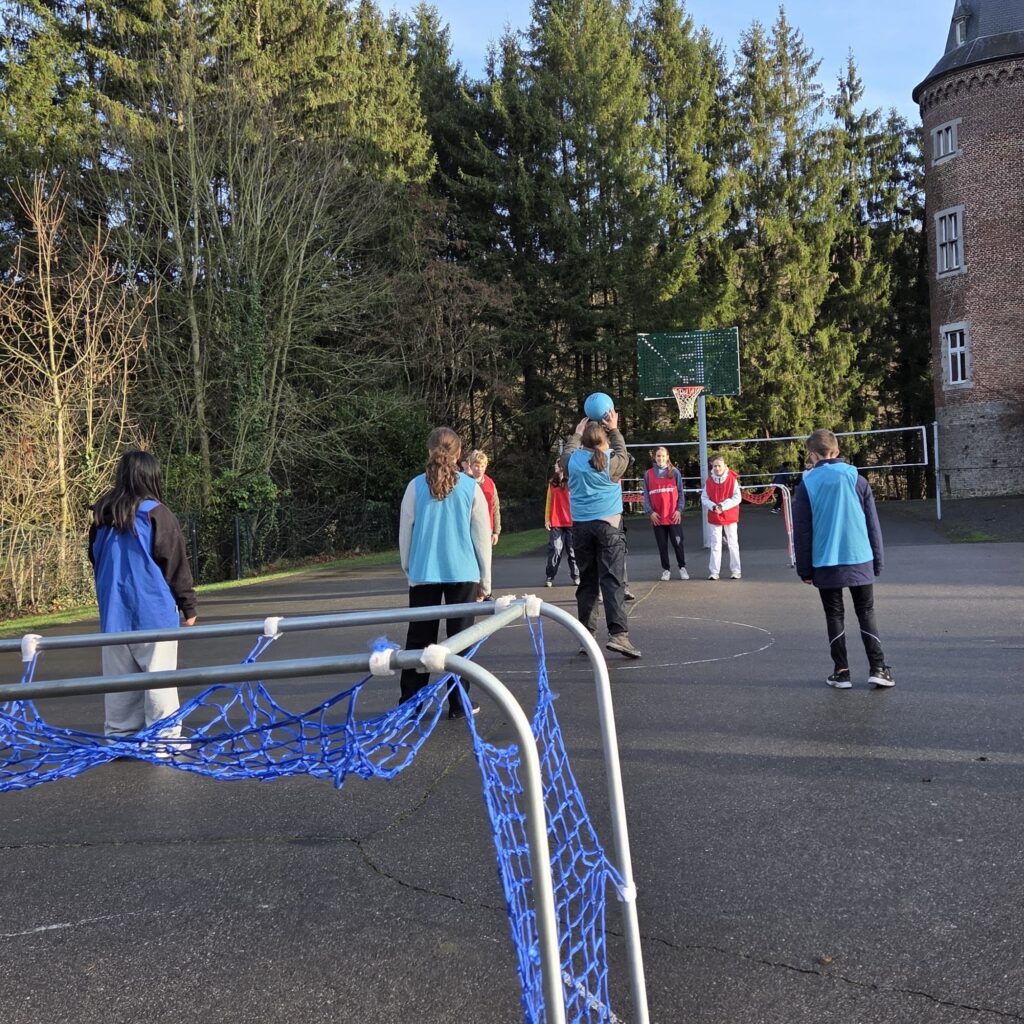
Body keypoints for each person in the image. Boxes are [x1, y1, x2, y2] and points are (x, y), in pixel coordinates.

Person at [88, 450, 197, 747]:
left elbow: (95, 560)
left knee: (120, 683)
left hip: (114, 613)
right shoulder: (156, 513)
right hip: (153, 612)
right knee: (159, 679)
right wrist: (188, 605)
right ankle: (163, 738)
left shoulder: (102, 517)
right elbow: (175, 563)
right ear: (151, 477)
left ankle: (120, 737)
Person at [399, 427, 492, 718]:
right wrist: (485, 580)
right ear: (459, 454)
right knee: (460, 641)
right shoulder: (471, 488)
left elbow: (405, 532)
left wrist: (408, 566)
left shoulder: (415, 487)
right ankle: (459, 702)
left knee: (419, 639)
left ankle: (411, 702)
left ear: (429, 451)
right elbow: (481, 536)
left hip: (424, 570)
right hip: (462, 570)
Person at [793, 428, 895, 689]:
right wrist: (878, 559)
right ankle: (878, 668)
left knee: (834, 614)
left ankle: (841, 672)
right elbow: (872, 523)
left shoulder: (807, 485)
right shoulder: (857, 479)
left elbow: (802, 530)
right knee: (866, 611)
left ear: (812, 455)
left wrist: (804, 569)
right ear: (836, 451)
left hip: (825, 560)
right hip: (860, 556)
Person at [559, 408, 641, 658]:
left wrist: (576, 434)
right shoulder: (611, 462)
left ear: (583, 442)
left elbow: (566, 453)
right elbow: (623, 453)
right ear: (605, 441)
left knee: (587, 582)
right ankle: (619, 635)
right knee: (612, 581)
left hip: (581, 528)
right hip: (608, 526)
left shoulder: (572, 462)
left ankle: (586, 637)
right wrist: (614, 427)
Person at [642, 446, 688, 581]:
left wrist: (679, 510)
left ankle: (682, 567)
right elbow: (646, 495)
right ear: (655, 457)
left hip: (673, 515)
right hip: (657, 516)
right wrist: (650, 512)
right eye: (658, 456)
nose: (660, 458)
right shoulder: (648, 474)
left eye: (663, 456)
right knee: (662, 545)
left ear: (667, 457)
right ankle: (666, 570)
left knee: (678, 543)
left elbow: (681, 492)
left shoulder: (675, 472)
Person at [700, 453, 742, 580]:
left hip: (730, 514)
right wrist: (713, 506)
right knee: (715, 544)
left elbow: (737, 497)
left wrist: (723, 506)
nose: (717, 468)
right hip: (715, 516)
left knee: (733, 543)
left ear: (724, 465)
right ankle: (714, 572)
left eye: (719, 465)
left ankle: (736, 570)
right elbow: (704, 498)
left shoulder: (732, 479)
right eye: (714, 466)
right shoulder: (709, 481)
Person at [544, 462, 579, 586]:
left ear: (563, 467)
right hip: (556, 521)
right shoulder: (552, 483)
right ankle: (550, 576)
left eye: (557, 465)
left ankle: (576, 576)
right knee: (555, 549)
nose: (555, 466)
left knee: (572, 550)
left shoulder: (572, 481)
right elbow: (549, 502)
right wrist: (547, 519)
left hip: (571, 521)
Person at [465, 449, 501, 548]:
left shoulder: (490, 484)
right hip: (468, 528)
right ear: (471, 466)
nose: (479, 469)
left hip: (486, 528)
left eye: (482, 466)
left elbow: (495, 507)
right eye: (476, 466)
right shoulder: (464, 483)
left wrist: (496, 531)